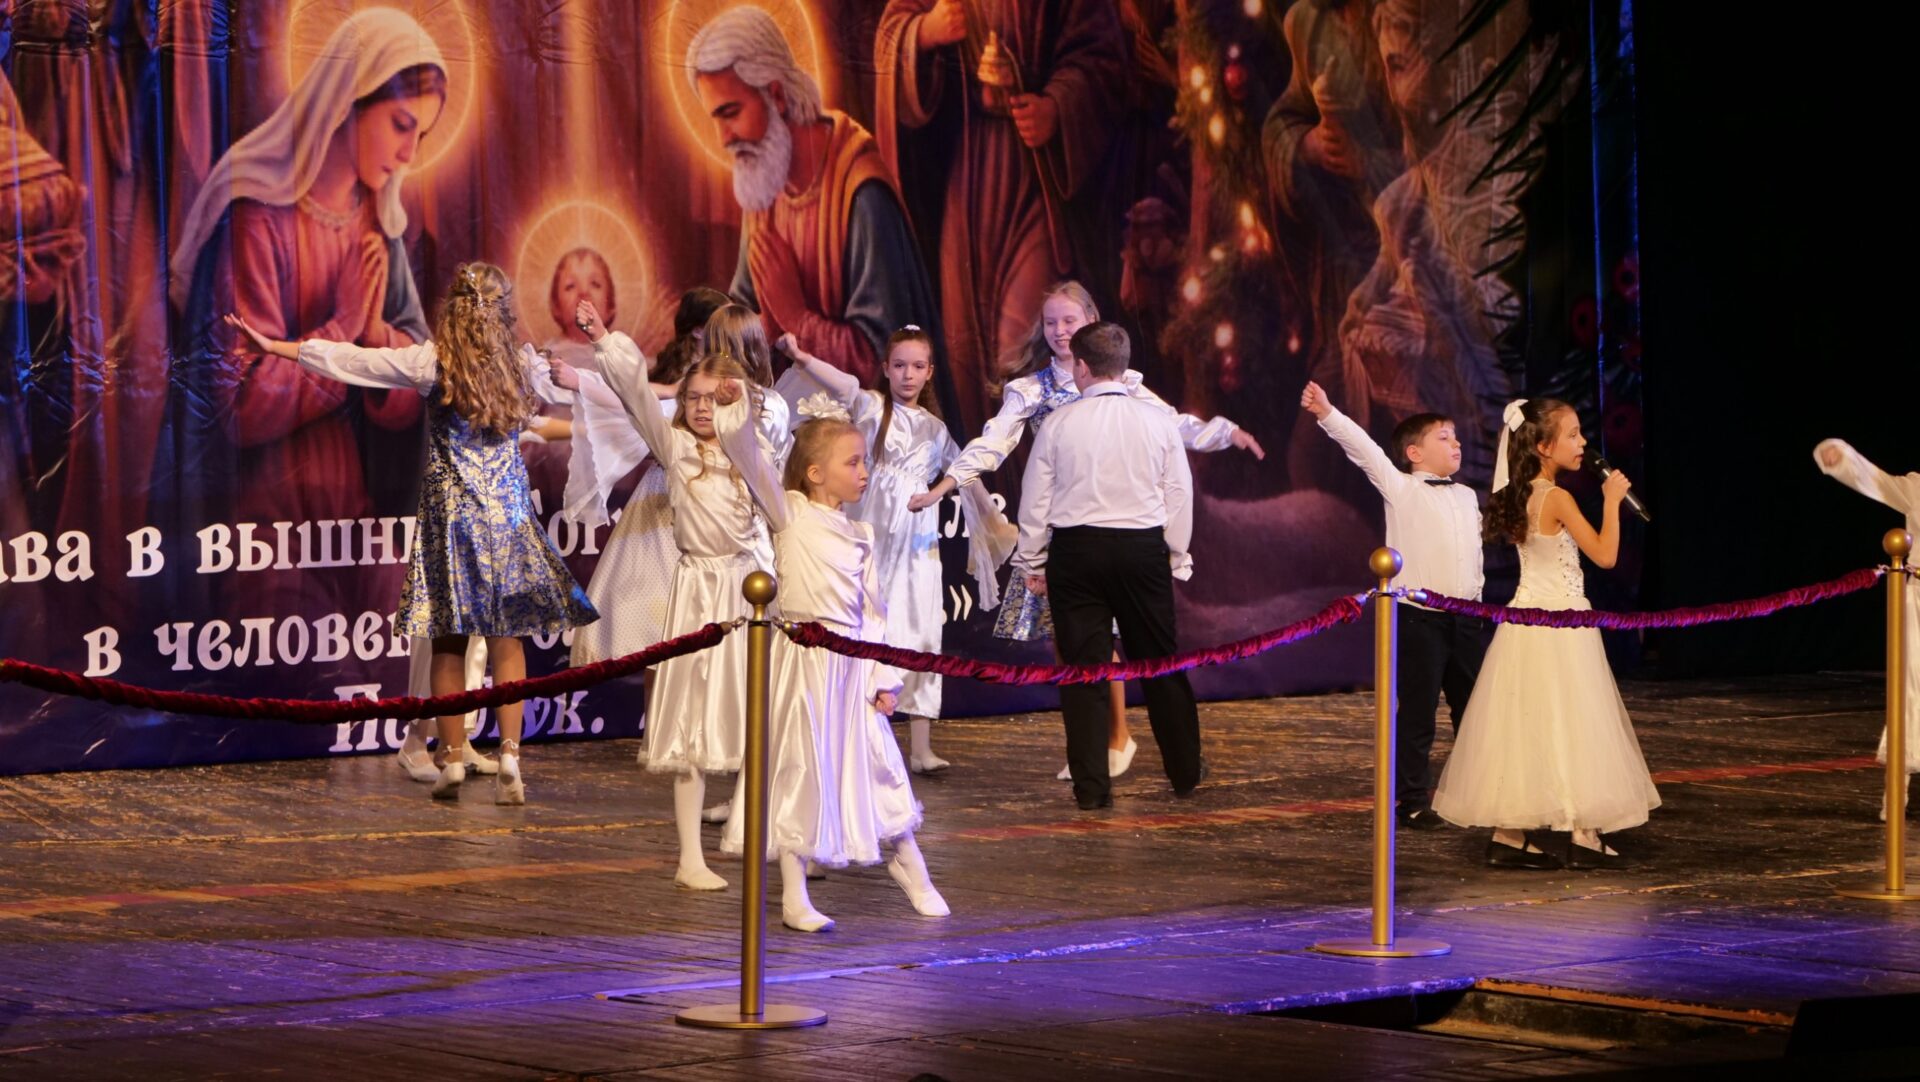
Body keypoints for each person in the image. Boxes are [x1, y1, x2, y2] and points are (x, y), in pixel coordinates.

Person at [223, 262, 598, 804]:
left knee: (448, 639)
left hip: (452, 517)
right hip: (507, 515)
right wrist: (616, 366)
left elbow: (355, 361)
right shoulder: (521, 364)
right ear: (503, 312)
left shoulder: (433, 361)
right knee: (507, 637)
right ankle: (511, 756)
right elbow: (586, 389)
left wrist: (279, 347)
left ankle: (451, 758)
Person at [924, 281, 1258, 779]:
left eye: (1069, 321)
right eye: (1050, 322)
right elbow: (994, 442)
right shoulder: (1033, 390)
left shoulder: (1125, 383)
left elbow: (1174, 426)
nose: (1059, 331)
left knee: (1113, 645)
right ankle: (1093, 747)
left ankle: (1118, 738)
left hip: (1120, 530)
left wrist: (1222, 433)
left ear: (1091, 323)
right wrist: (952, 479)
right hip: (1063, 533)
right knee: (1074, 647)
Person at [719, 410, 949, 932]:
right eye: (852, 462)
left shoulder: (860, 533)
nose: (863, 472)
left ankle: (909, 864)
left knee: (878, 762)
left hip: (851, 664)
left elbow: (872, 614)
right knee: (800, 766)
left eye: (864, 461)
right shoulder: (791, 514)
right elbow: (749, 459)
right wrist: (735, 411)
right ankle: (794, 893)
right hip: (804, 665)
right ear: (815, 473)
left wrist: (881, 677)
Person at [1431, 398, 1658, 868]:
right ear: (1542, 446)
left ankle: (1509, 833)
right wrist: (1611, 501)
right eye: (1572, 435)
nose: (1583, 443)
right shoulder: (1556, 498)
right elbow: (1605, 556)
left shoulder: (1522, 494)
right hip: (1561, 621)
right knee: (1572, 720)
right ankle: (1582, 832)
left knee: (1529, 721)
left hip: (1527, 621)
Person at [781, 327, 1012, 773]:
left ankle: (921, 747)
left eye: (917, 366)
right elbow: (844, 385)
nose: (908, 375)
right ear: (886, 368)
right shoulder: (871, 408)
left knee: (919, 628)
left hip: (916, 543)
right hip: (872, 533)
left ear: (930, 372)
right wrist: (803, 358)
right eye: (900, 365)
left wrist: (989, 521)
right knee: (867, 626)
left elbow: (964, 470)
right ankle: (862, 736)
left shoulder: (936, 429)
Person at [1011, 322, 1205, 810]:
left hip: (1076, 554)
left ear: (1081, 366)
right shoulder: (1157, 421)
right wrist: (1174, 553)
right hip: (1141, 551)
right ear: (1123, 365)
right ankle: (1185, 771)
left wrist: (1033, 560)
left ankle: (1092, 789)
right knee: (1160, 663)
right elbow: (1179, 493)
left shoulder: (1059, 423)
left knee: (1083, 674)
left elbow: (1035, 500)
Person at [1302, 380, 1487, 829]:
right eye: (1444, 437)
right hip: (1421, 620)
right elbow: (1364, 450)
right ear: (1414, 453)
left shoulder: (1466, 496)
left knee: (1475, 712)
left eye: (1456, 437)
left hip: (1467, 618)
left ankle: (1479, 792)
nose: (1456, 444)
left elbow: (1473, 555)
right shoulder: (1402, 488)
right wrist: (1328, 413)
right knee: (1419, 713)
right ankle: (1412, 798)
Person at [1815, 439, 1918, 821]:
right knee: (1910, 695)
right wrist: (1841, 458)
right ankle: (1895, 798)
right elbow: (1878, 482)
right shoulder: (1917, 488)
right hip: (1917, 604)